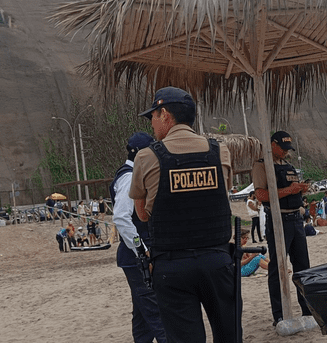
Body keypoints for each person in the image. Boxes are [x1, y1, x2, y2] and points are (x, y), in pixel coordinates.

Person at [129, 87, 240, 342]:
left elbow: (142, 215)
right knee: (229, 334)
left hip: (172, 267)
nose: (153, 124)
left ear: (165, 114)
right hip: (217, 261)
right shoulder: (219, 151)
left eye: (153, 117)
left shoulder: (147, 157)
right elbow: (222, 196)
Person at [110, 131, 167, 343]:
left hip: (135, 256)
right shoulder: (129, 177)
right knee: (156, 313)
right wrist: (141, 249)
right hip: (137, 257)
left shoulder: (133, 174)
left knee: (143, 316)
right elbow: (122, 218)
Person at [251, 130, 312, 327]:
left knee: (303, 267)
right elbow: (261, 195)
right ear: (272, 145)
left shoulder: (289, 166)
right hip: (278, 220)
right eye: (283, 149)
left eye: (288, 150)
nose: (286, 153)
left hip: (296, 219)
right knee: (277, 269)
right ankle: (279, 315)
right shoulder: (262, 165)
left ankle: (307, 310)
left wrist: (301, 189)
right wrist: (289, 190)